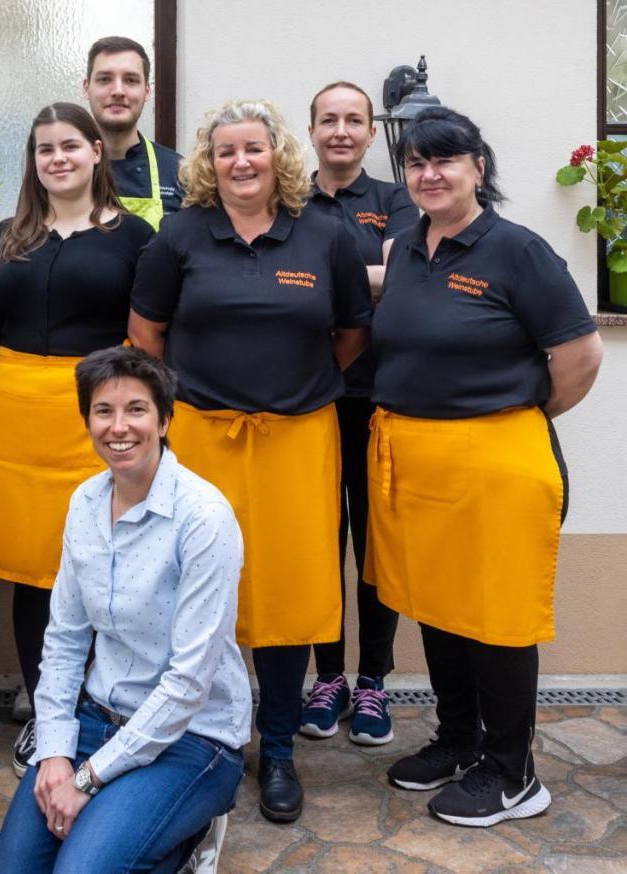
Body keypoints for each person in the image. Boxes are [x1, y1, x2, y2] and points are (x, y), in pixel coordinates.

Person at [129, 99, 371, 824]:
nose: (241, 162)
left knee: (289, 592)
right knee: (200, 590)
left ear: (277, 156)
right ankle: (206, 741)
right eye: (226, 150)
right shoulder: (180, 236)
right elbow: (145, 334)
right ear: (209, 161)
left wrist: (291, 389)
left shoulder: (325, 235)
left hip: (298, 439)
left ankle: (278, 748)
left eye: (254, 149)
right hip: (203, 438)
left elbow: (353, 333)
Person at [370, 107, 601, 827]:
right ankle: (459, 740)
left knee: (498, 616)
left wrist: (514, 414)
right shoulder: (407, 247)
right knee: (440, 604)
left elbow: (580, 357)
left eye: (446, 160)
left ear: (478, 166)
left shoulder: (517, 250)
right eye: (415, 162)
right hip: (420, 458)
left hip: (498, 455)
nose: (429, 174)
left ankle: (512, 773)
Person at [0, 346, 248, 873]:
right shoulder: (85, 502)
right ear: (87, 420)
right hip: (96, 720)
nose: (118, 426)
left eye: (136, 409)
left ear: (165, 418)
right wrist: (57, 749)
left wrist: (88, 779)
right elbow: (62, 642)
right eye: (103, 411)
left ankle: (180, 842)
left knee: (82, 871)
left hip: (193, 739)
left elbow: (188, 683)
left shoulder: (203, 518)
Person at [0, 102, 155, 777]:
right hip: (19, 413)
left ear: (95, 153)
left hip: (101, 414)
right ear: (34, 160)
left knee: (104, 563)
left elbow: (148, 331)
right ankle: (49, 713)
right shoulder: (6, 239)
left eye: (70, 145)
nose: (58, 158)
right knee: (34, 569)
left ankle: (105, 710)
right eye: (45, 148)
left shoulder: (135, 238)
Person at [299, 82, 419, 746]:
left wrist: (315, 278)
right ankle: (327, 679)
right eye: (329, 119)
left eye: (354, 120)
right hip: (310, 401)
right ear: (311, 129)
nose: (341, 130)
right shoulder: (292, 198)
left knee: (375, 548)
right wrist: (362, 277)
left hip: (379, 402)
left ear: (372, 133)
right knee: (318, 544)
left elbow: (402, 274)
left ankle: (373, 680)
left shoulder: (395, 200)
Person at [82, 36, 183, 229]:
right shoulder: (63, 169)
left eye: (130, 80)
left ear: (146, 91)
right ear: (86, 88)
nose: (118, 91)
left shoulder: (179, 173)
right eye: (105, 79)